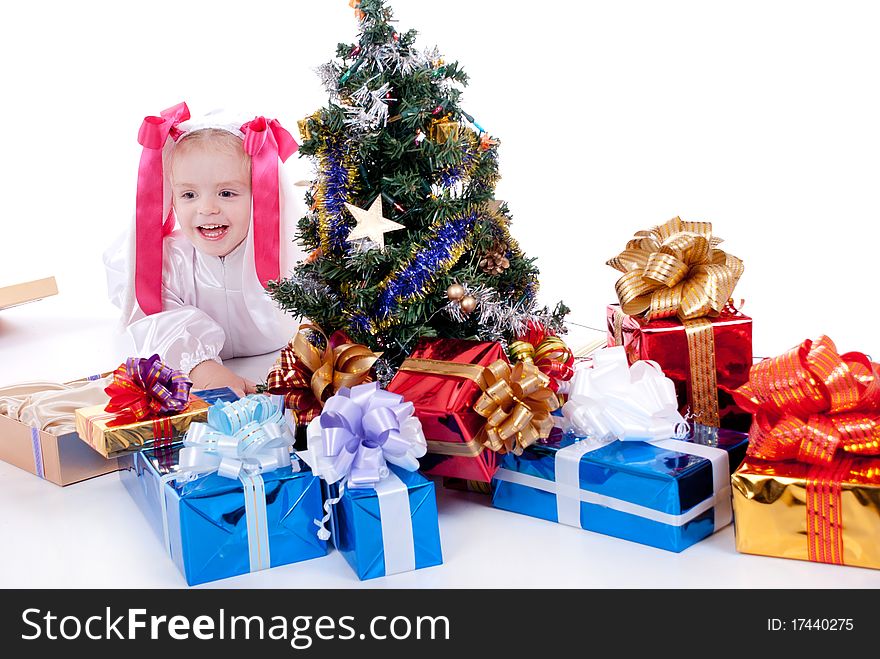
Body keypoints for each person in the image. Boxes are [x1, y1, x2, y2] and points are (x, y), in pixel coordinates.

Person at [104, 102, 306, 396]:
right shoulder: (169, 263)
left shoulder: (293, 256)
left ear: (260, 195)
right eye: (188, 194)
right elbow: (153, 320)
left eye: (226, 193)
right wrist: (203, 368)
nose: (207, 208)